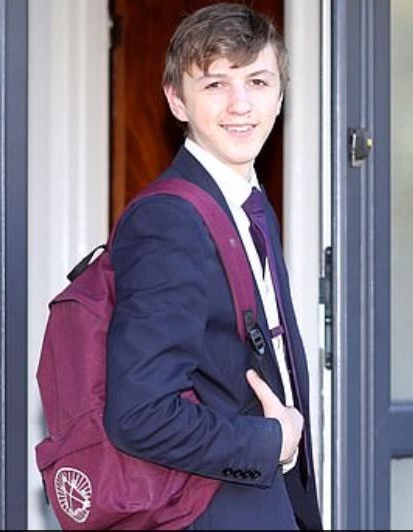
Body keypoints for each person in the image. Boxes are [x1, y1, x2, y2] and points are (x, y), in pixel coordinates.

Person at [103, 3, 322, 530]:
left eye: (258, 81)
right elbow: (138, 415)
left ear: (280, 95)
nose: (241, 105)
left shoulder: (249, 204)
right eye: (215, 85)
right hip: (214, 513)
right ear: (177, 100)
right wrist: (272, 441)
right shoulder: (170, 220)